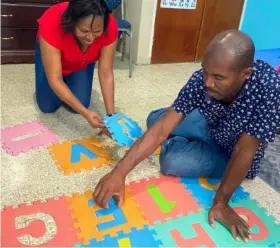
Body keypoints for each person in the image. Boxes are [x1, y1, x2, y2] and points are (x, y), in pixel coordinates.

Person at [93, 30, 280, 242]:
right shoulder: (202, 79)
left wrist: (221, 202)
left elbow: (245, 150)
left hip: (232, 152)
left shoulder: (269, 87)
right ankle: (182, 127)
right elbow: (162, 127)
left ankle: (180, 133)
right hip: (211, 125)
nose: (208, 82)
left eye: (218, 77)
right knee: (156, 120)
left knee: (172, 162)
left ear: (245, 74)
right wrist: (119, 172)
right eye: (205, 72)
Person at [35, 0, 118, 132]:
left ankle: (69, 83)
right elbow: (55, 78)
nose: (90, 38)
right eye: (84, 30)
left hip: (82, 60)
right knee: (47, 106)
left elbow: (106, 73)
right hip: (53, 55)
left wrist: (111, 117)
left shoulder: (110, 26)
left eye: (97, 31)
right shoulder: (52, 22)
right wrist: (86, 113)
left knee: (80, 105)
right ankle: (63, 83)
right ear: (72, 22)